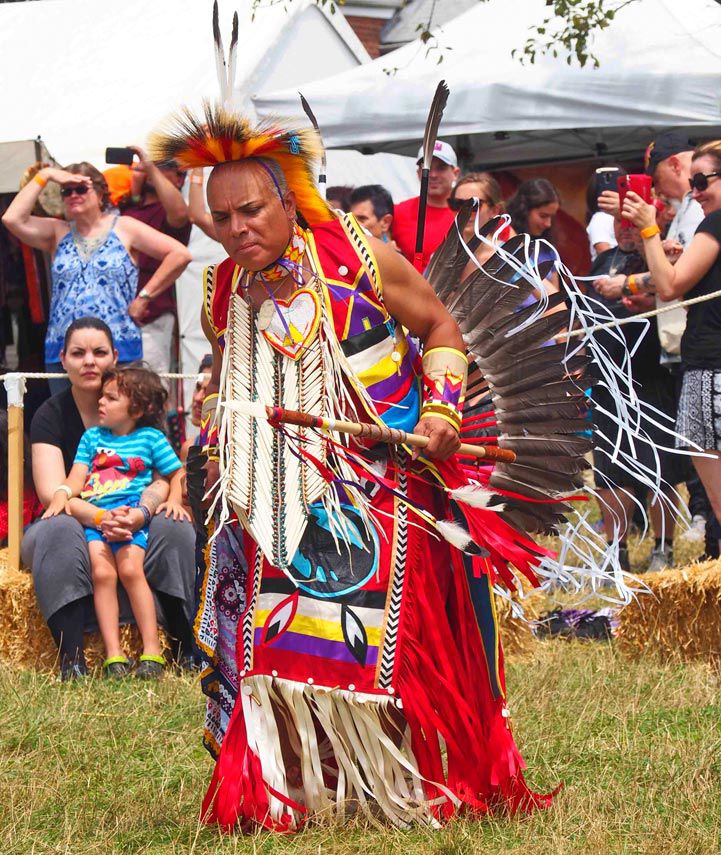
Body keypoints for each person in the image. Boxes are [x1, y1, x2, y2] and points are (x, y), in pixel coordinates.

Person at [148, 105, 589, 831]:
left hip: (383, 479)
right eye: (222, 219)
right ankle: (290, 786)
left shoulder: (357, 254)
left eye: (251, 210)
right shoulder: (221, 290)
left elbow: (440, 326)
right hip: (279, 490)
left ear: (288, 199)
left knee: (397, 640)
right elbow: (235, 376)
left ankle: (411, 778)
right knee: (276, 642)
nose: (237, 230)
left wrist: (442, 412)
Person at [21, 317, 196, 680]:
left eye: (99, 352)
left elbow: (165, 476)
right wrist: (103, 519)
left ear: (114, 357)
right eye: (78, 353)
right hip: (80, 519)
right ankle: (72, 658)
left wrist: (142, 513)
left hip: (133, 515)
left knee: (175, 527)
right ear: (63, 359)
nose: (89, 361)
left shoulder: (141, 410)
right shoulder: (51, 416)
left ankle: (181, 641)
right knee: (58, 528)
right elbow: (56, 492)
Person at [607, 139, 721, 554]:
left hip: (710, 369)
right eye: (693, 182)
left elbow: (671, 287)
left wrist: (649, 228)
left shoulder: (715, 222)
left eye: (704, 180)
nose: (696, 191)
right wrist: (671, 251)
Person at [1, 163, 191, 394]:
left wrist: (144, 297)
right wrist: (46, 175)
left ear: (101, 193)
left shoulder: (125, 227)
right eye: (66, 190)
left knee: (120, 421)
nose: (73, 195)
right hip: (65, 349)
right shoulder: (57, 231)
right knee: (69, 425)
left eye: (80, 188)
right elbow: (12, 218)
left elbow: (180, 254)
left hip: (116, 346)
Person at [591, 219, 682, 572]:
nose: (625, 231)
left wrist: (645, 305)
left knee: (663, 468)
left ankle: (664, 549)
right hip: (609, 378)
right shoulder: (603, 262)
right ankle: (617, 553)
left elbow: (674, 300)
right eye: (619, 224)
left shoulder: (663, 257)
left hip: (654, 374)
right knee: (611, 470)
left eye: (632, 224)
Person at [122, 149, 192, 375]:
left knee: (148, 385)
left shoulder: (168, 210)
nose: (155, 171)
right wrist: (135, 184)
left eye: (164, 167)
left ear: (179, 178)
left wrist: (151, 168)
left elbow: (181, 214)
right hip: (117, 318)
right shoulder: (130, 207)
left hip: (150, 316)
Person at [392, 140, 459, 266]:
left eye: (441, 168)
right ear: (418, 173)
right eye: (427, 168)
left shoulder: (473, 211)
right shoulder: (397, 212)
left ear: (455, 173)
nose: (433, 175)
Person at [448, 171, 515, 269]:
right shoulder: (443, 258)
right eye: (457, 204)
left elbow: (541, 284)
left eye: (474, 205)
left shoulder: (510, 258)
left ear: (494, 210)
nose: (464, 211)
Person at [179, 353, 213, 462]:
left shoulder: (241, 451)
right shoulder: (189, 448)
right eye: (198, 388)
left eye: (208, 391)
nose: (198, 398)